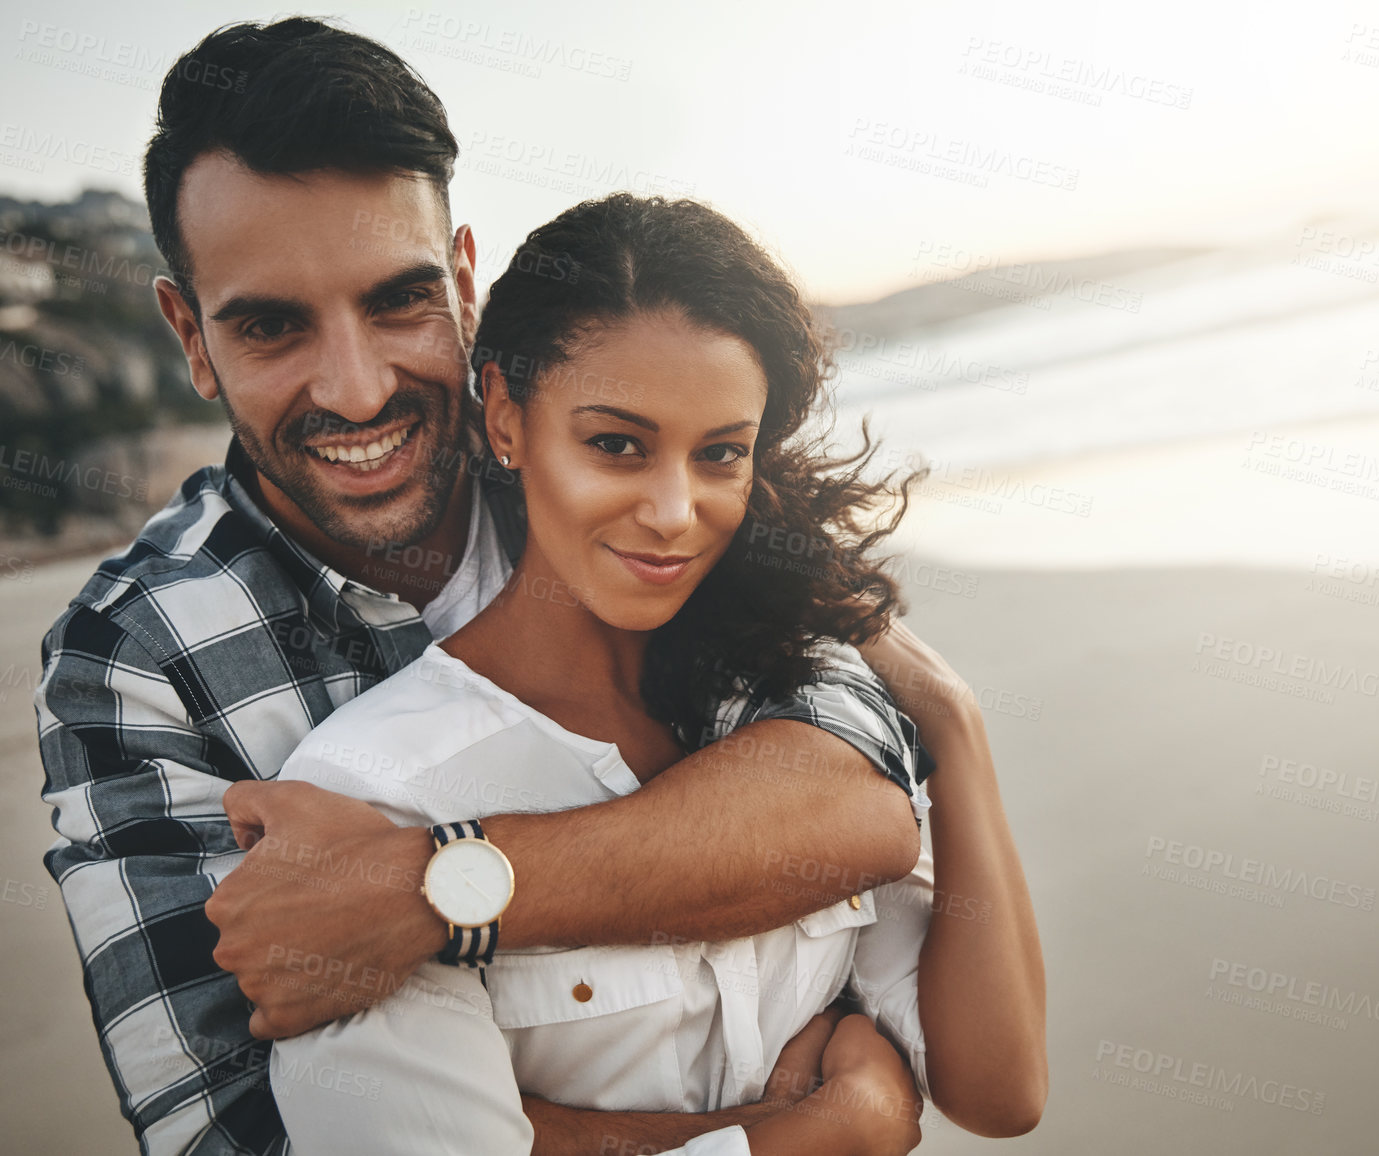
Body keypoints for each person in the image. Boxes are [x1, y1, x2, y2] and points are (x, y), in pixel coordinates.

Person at [34, 19, 973, 1155]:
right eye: (272, 325)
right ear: (190, 333)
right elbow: (230, 1127)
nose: (358, 385)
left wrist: (429, 892)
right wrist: (815, 1132)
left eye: (398, 301)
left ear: (465, 281)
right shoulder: (134, 657)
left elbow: (853, 802)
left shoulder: (607, 463)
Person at [264, 193, 1047, 1155]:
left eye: (719, 454)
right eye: (617, 445)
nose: (675, 511)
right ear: (506, 415)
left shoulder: (786, 708)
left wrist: (955, 731)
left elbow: (997, 1088)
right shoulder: (369, 792)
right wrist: (834, 1131)